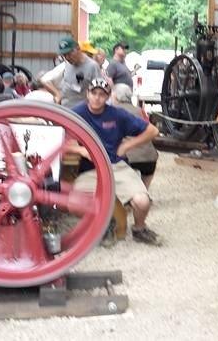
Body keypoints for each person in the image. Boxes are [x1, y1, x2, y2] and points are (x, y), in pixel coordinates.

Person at [67, 78, 162, 246]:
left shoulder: (117, 114)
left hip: (116, 166)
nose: (97, 98)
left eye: (102, 94)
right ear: (87, 94)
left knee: (142, 202)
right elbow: (65, 141)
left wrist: (127, 145)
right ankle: (106, 223)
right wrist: (81, 150)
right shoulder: (76, 114)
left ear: (108, 96)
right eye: (94, 93)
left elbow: (153, 131)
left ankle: (139, 229)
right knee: (73, 205)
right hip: (91, 169)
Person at [111, 83, 158, 188]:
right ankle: (144, 191)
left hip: (127, 157)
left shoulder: (111, 111)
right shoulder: (139, 110)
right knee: (144, 185)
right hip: (149, 157)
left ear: (114, 96)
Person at [41, 35, 103, 108]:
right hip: (65, 108)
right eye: (64, 55)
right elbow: (44, 80)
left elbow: (99, 90)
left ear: (78, 49)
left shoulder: (92, 66)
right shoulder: (66, 64)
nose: (67, 57)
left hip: (81, 110)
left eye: (69, 54)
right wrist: (57, 94)